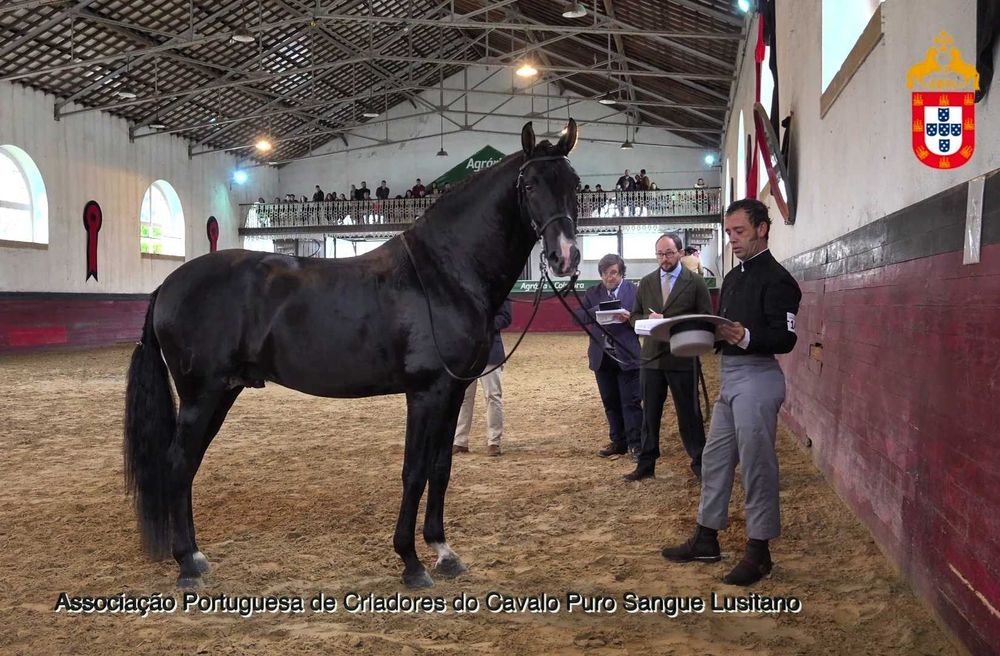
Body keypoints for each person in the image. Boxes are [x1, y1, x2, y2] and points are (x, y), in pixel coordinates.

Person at [661, 199, 801, 587]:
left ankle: (760, 551)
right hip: (732, 375)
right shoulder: (736, 277)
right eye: (729, 233)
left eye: (739, 232)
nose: (733, 240)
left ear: (762, 229)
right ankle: (707, 537)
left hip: (758, 378)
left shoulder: (780, 280)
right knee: (716, 458)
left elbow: (786, 338)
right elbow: (724, 329)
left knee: (757, 465)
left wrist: (746, 336)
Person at [627, 233, 713, 481]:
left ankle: (699, 462)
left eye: (669, 253)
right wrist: (644, 321)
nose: (664, 259)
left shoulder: (695, 282)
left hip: (683, 357)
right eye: (660, 254)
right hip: (652, 358)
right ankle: (646, 464)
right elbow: (634, 317)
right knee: (649, 414)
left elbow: (706, 317)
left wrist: (684, 326)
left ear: (680, 253)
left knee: (689, 413)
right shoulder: (646, 283)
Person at [575, 255, 642, 459]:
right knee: (610, 401)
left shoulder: (635, 292)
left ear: (621, 272)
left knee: (630, 401)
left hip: (627, 356)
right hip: (602, 357)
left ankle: (636, 443)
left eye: (613, 272)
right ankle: (618, 441)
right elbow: (577, 316)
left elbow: (645, 320)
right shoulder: (593, 293)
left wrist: (631, 318)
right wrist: (599, 310)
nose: (609, 277)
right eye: (604, 273)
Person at [453, 300, 513, 456]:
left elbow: (505, 317)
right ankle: (460, 441)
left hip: (490, 352)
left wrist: (481, 323)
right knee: (464, 398)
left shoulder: (500, 288)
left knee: (493, 396)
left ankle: (494, 441)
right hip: (467, 354)